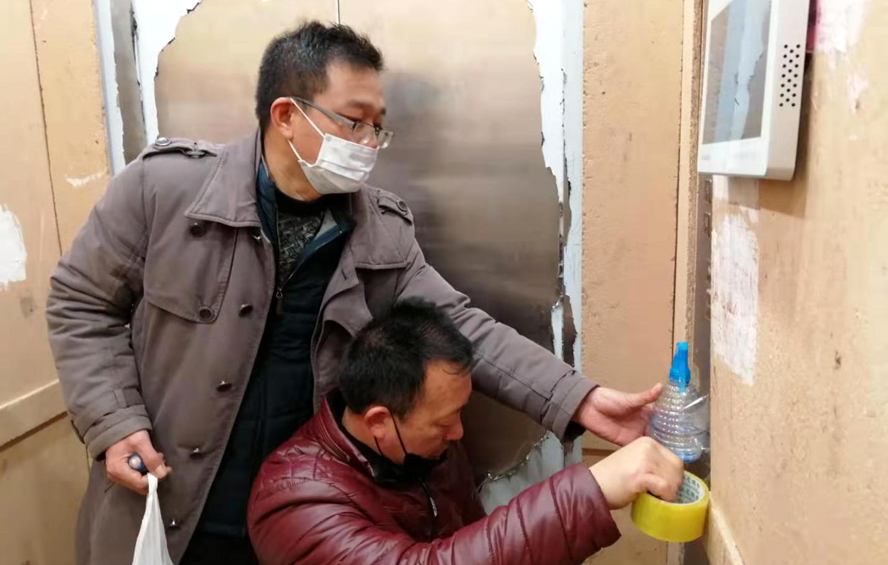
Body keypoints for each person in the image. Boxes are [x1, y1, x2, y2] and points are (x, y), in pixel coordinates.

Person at [46, 22, 664, 565]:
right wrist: (113, 421)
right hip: (174, 500)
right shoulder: (164, 191)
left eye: (378, 126)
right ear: (285, 115)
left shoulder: (379, 231)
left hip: (303, 509)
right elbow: (81, 303)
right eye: (353, 121)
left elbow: (464, 328)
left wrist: (582, 400)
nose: (369, 141)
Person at [248, 299, 684, 565]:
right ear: (379, 420)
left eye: (460, 414)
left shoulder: (424, 449)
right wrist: (591, 491)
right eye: (443, 422)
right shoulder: (293, 502)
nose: (457, 433)